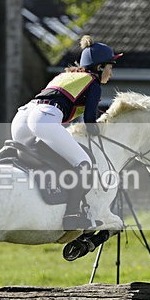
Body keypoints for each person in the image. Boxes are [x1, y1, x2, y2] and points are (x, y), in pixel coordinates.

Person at [11, 35, 122, 230]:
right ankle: (72, 215)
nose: (111, 73)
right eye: (110, 67)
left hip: (21, 117)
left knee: (54, 159)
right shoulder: (92, 82)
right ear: (98, 68)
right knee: (84, 164)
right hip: (43, 119)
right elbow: (89, 122)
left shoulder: (65, 76)